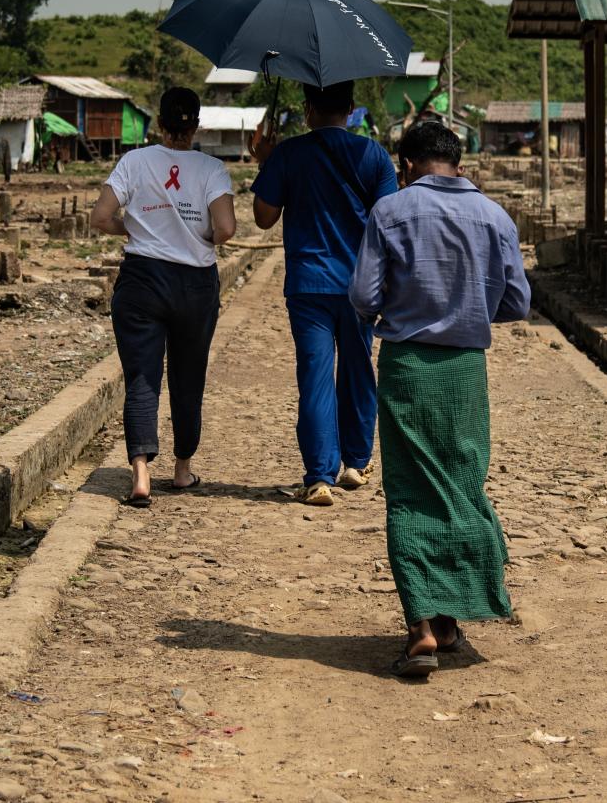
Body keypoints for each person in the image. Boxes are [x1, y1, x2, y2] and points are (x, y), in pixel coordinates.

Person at [348, 119, 531, 678]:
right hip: (464, 373)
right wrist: (472, 307)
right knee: (459, 482)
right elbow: (518, 302)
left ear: (405, 165)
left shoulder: (391, 211)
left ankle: (424, 625)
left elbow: (363, 295)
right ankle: (453, 615)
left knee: (408, 490)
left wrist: (402, 307)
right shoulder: (494, 217)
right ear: (460, 162)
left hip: (406, 366)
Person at [250, 81, 399, 506]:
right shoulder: (372, 155)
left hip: (308, 283)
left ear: (308, 108)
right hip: (359, 284)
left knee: (315, 376)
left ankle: (318, 477)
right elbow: (387, 220)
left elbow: (263, 218)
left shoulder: (289, 153)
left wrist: (266, 161)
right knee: (358, 370)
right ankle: (356, 461)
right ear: (351, 109)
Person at [89, 87, 237, 508]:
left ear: (158, 125)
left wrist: (131, 229)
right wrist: (202, 235)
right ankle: (182, 469)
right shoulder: (212, 168)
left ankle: (140, 474)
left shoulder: (134, 162)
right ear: (197, 126)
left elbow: (100, 217)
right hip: (195, 284)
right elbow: (225, 228)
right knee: (188, 378)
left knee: (142, 377)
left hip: (142, 282)